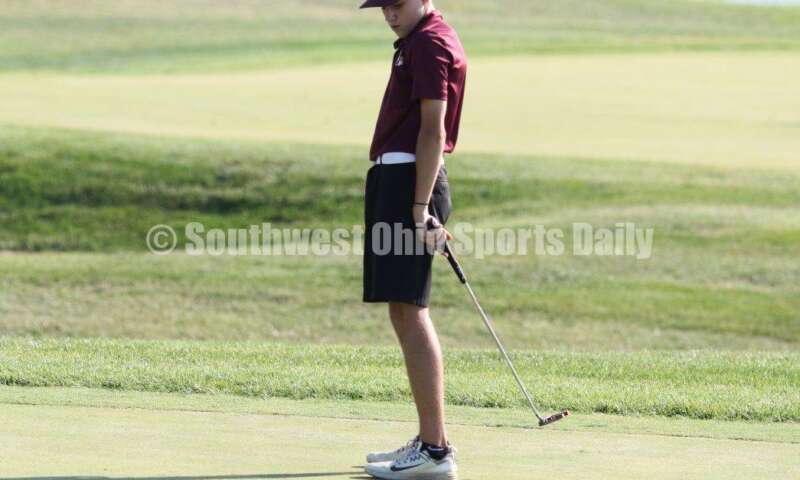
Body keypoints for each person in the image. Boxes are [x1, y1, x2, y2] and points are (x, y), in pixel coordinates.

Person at [359, 0, 467, 478]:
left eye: (397, 3)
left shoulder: (428, 43)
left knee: (410, 307)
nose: (389, 13)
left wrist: (420, 209)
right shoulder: (418, 40)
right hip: (399, 181)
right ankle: (429, 439)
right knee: (401, 308)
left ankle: (435, 451)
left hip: (410, 185)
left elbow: (432, 131)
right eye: (382, 5)